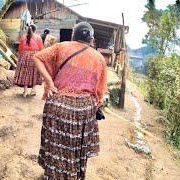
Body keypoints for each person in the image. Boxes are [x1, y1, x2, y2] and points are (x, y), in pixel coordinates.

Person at [33, 22, 107, 179]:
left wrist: (50, 82)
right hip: (83, 110)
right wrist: (97, 105)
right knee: (75, 147)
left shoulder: (62, 46)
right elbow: (99, 92)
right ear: (91, 39)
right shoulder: (99, 58)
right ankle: (73, 175)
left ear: (74, 35)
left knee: (54, 144)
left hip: (57, 104)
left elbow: (38, 57)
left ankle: (52, 174)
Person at [13, 24, 44, 97]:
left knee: (25, 73)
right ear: (35, 30)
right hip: (35, 56)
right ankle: (33, 90)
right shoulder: (38, 37)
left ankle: (25, 91)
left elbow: (20, 49)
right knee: (34, 72)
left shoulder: (23, 37)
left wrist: (21, 56)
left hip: (24, 56)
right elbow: (41, 49)